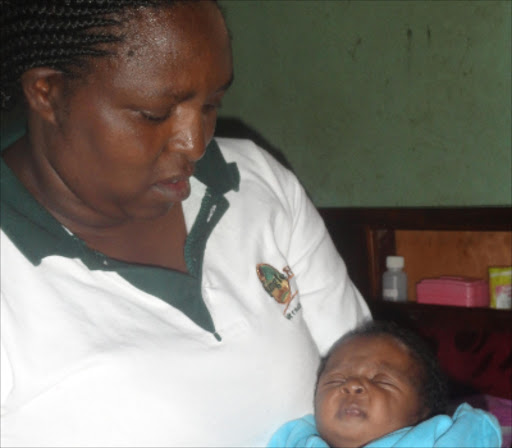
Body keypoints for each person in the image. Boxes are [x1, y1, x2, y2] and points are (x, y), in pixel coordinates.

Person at [0, 1, 371, 446]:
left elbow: (380, 385)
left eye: (212, 104)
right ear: (48, 92)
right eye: (155, 115)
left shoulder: (252, 180)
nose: (194, 144)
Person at [268, 320, 502, 448]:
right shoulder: (296, 439)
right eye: (336, 379)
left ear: (422, 411)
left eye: (380, 380)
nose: (352, 386)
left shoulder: (441, 437)